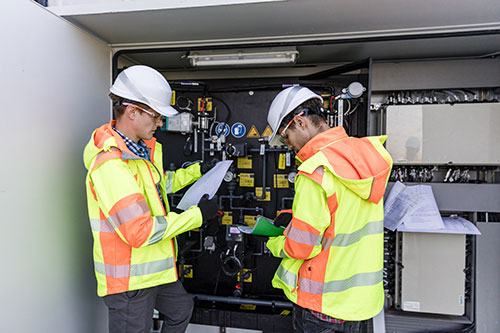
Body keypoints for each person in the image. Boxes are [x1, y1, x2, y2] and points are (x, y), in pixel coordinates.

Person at [83, 65, 219, 333]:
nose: (160, 123)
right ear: (133, 112)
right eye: (156, 116)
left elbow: (157, 186)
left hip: (154, 272)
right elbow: (139, 231)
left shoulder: (138, 151)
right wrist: (197, 216)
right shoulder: (111, 165)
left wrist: (196, 172)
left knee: (181, 310)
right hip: (130, 281)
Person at [265, 86, 393, 333]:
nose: (288, 145)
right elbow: (344, 218)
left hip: (322, 306)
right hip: (360, 304)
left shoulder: (315, 172)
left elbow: (301, 246)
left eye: (285, 137)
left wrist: (276, 242)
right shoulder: (364, 157)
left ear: (300, 122)